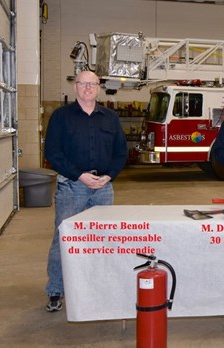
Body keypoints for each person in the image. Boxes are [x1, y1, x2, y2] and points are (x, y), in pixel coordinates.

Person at [43, 71, 128, 312]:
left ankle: (97, 287)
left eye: (92, 84)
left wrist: (108, 176)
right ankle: (55, 290)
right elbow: (53, 153)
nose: (88, 88)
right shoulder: (61, 117)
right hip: (72, 186)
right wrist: (79, 176)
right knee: (64, 238)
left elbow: (121, 152)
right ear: (75, 87)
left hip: (103, 188)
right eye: (83, 83)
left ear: (99, 88)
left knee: (101, 239)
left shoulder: (110, 118)